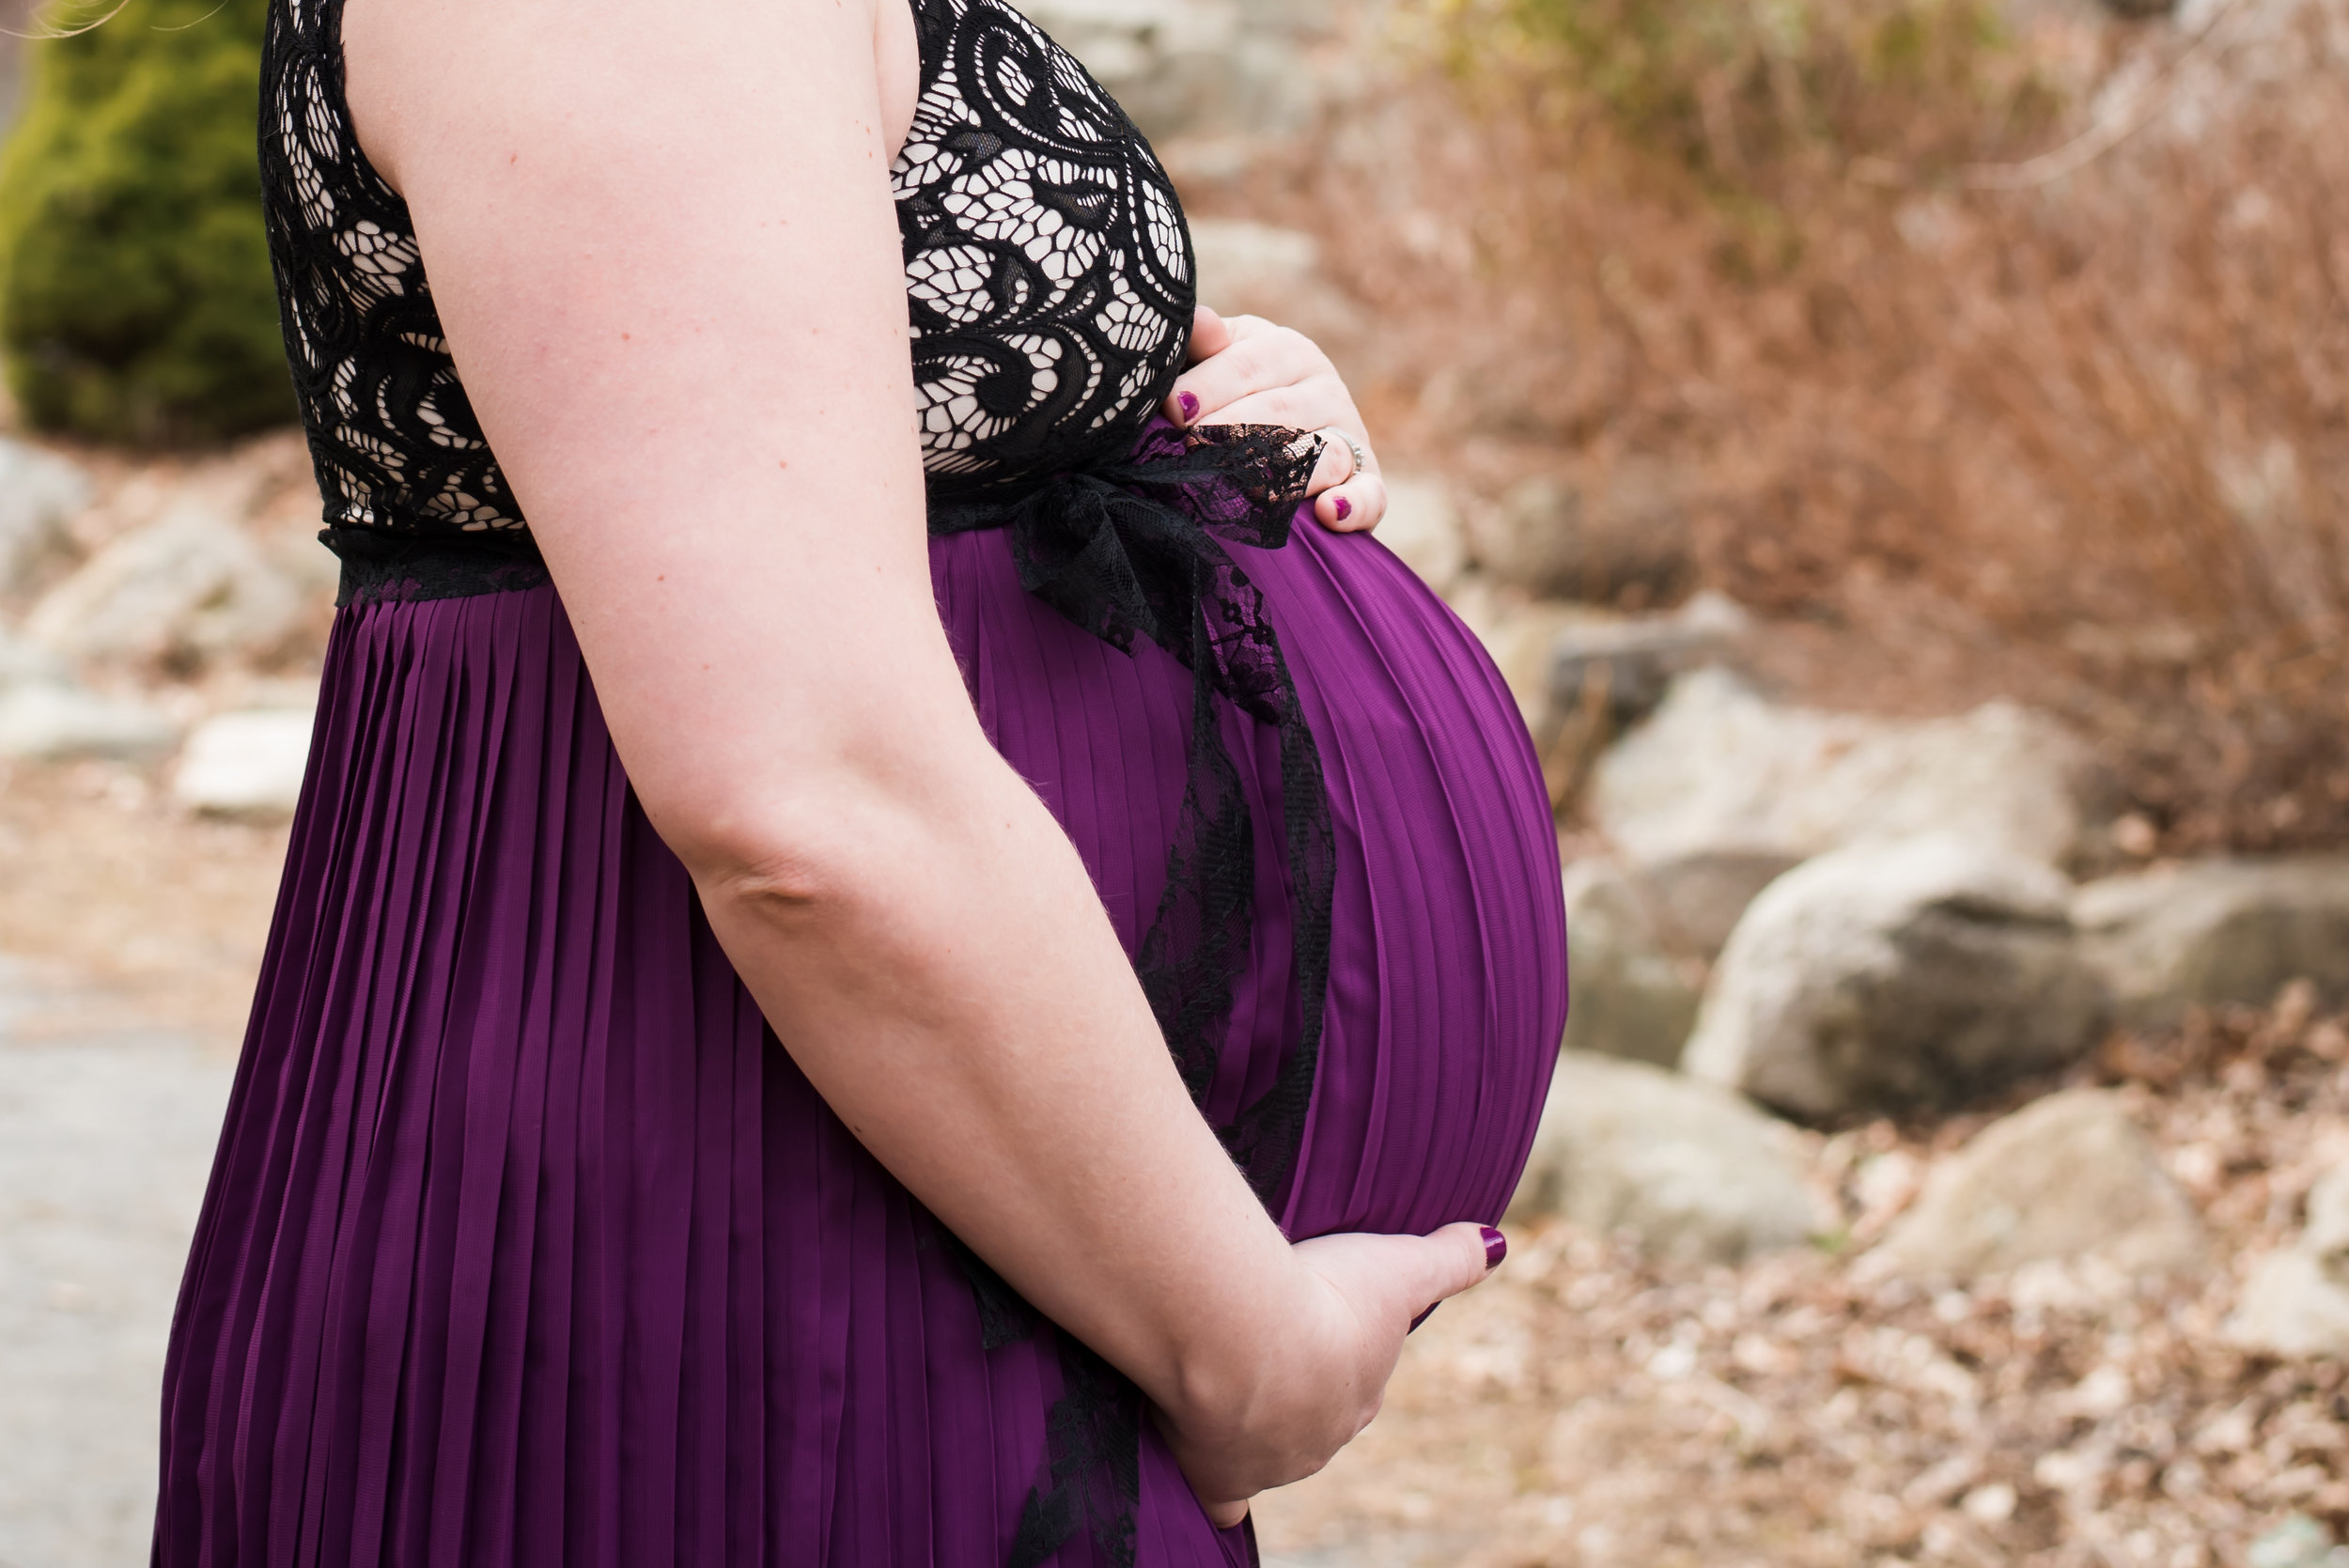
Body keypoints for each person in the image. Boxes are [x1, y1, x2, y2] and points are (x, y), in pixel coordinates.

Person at [152, 0, 1568, 1561]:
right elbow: (802, 800)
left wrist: (1189, 410)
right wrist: (1248, 1349)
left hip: (895, 1218)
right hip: (756, 1243)